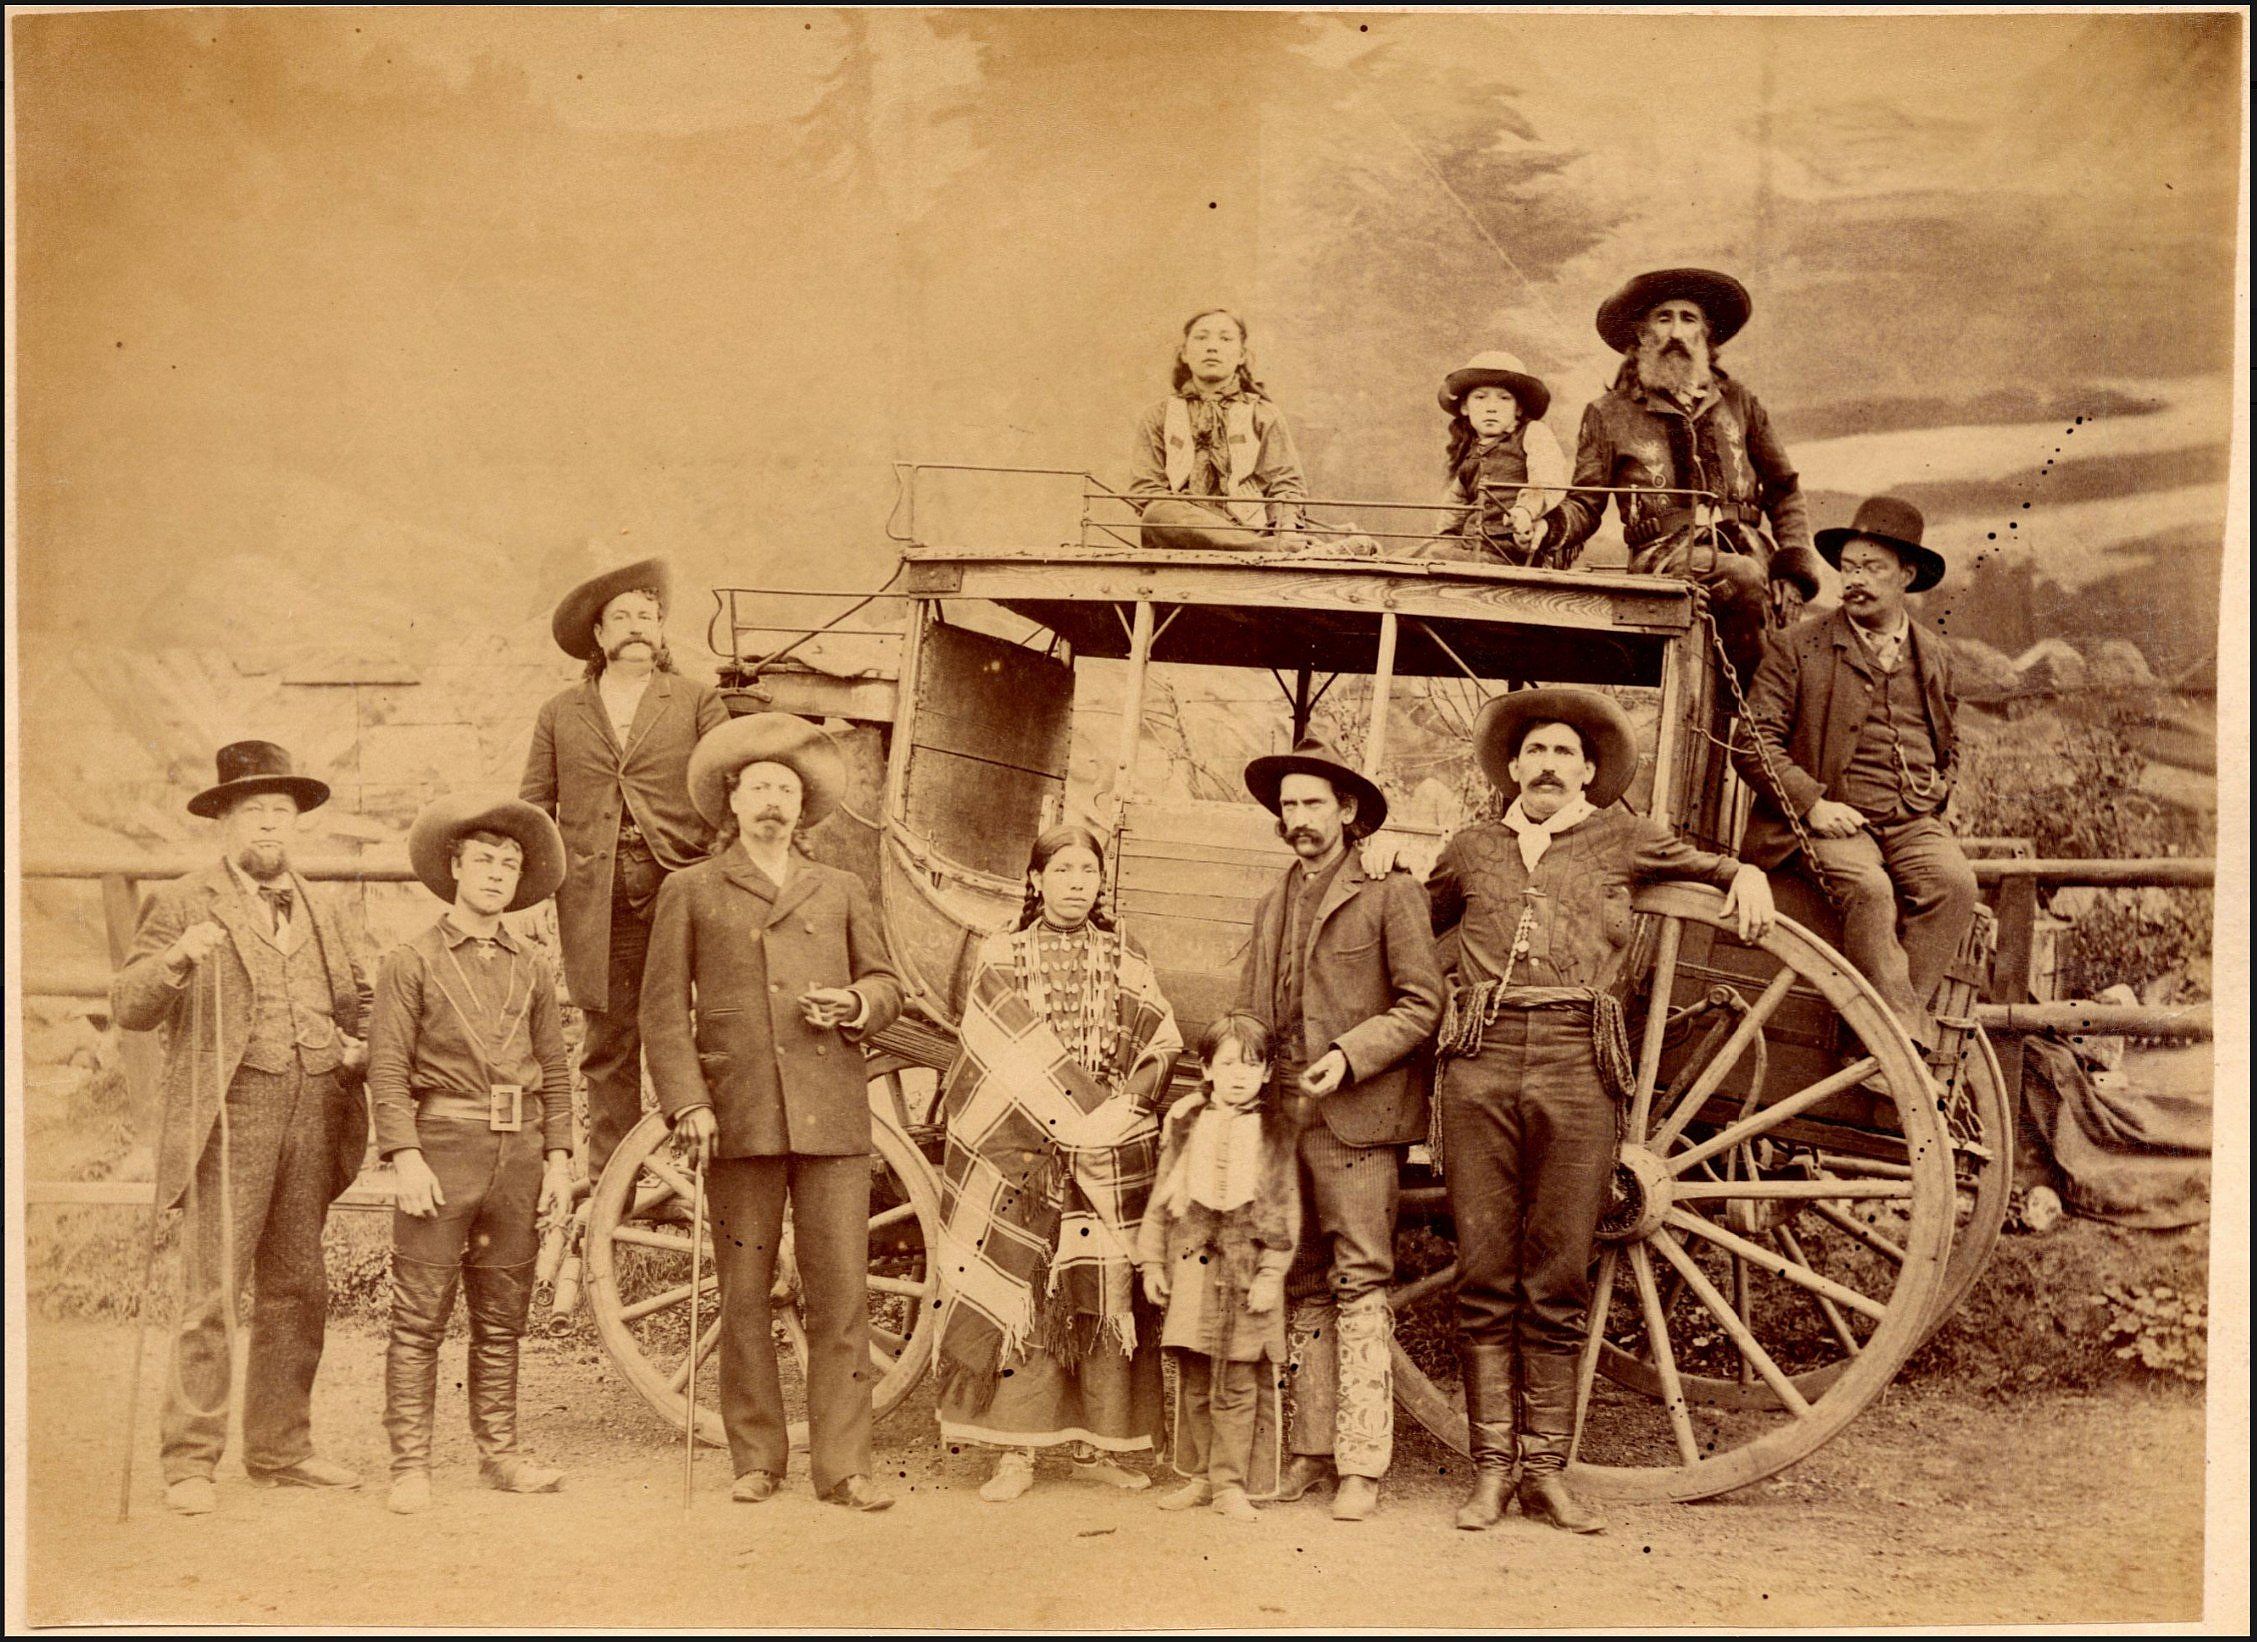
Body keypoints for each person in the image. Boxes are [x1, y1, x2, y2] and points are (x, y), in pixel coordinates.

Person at [1424, 688, 1774, 1540]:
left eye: (1563, 755)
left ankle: (1544, 1473)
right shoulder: (1469, 849)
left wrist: (1746, 872)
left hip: (1581, 1064)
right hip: (1479, 1061)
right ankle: (1488, 1475)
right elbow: (1411, 932)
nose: (1546, 766)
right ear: (1511, 768)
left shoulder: (1624, 838)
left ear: (1588, 771)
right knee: (1482, 1273)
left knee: (1555, 1274)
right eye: (1532, 752)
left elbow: (1707, 867)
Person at [641, 713, 905, 1512]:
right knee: (745, 1291)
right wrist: (688, 1100)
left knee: (842, 1294)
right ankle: (756, 1458)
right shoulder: (689, 888)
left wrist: (855, 1002)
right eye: (758, 787)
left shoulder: (843, 887)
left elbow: (888, 986)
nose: (772, 802)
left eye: (785, 790)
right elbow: (660, 1013)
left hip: (831, 1119)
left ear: (803, 806)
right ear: (731, 798)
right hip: (738, 1116)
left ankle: (846, 1468)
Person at [109, 741, 372, 1516]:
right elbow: (129, 1004)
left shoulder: (322, 906)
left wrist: (354, 1046)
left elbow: (354, 996)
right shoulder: (189, 901)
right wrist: (179, 961)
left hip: (316, 1109)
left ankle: (280, 1448)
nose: (269, 827)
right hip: (232, 1113)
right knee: (212, 1292)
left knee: (299, 1287)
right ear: (224, 821)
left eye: (281, 814)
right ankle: (190, 1461)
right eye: (253, 812)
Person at [932, 823, 1184, 1503]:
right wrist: (1060, 1120)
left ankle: (1099, 1447)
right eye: (1062, 870)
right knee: (1027, 1292)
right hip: (1023, 1153)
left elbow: (1158, 1040)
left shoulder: (1124, 953)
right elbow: (989, 1050)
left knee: (1102, 1299)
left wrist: (1118, 1110)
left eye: (1087, 871)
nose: (1076, 883)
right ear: (1036, 881)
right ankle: (1014, 1453)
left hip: (1105, 1150)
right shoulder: (1002, 954)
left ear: (1100, 884)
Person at [1237, 737, 1443, 1522]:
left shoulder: (1389, 893)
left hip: (1356, 1119)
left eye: (1311, 803)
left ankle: (1362, 1465)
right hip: (1283, 1118)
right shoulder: (1271, 902)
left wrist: (1349, 1058)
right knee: (1298, 1279)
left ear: (1347, 812)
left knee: (1359, 1283)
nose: (1297, 819)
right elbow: (1255, 1011)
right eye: (1287, 806)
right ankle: (1311, 1454)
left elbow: (1423, 1005)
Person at [367, 793, 576, 1515]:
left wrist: (558, 1159)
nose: (495, 874)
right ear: (453, 868)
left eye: (509, 864)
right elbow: (387, 1070)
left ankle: (501, 1454)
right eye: (482, 860)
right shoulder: (411, 960)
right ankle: (410, 1465)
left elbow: (554, 1068)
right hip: (443, 1149)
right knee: (419, 1316)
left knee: (502, 1318)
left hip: (517, 1158)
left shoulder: (534, 965)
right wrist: (404, 1156)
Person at [1732, 496, 1978, 1059]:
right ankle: (1897, 1044)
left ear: (1907, 576)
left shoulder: (1934, 655)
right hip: (1827, 823)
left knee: (1955, 885)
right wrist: (1813, 805)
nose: (1856, 581)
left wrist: (1941, 788)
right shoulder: (1798, 648)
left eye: (1872, 569)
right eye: (1849, 568)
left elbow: (1950, 738)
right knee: (1869, 890)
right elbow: (1752, 742)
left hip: (1913, 819)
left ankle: (1868, 1036)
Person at [520, 556, 728, 1186]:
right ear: (599, 637)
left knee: (700, 1021)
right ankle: (616, 1182)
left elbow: (726, 784)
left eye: (647, 615)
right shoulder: (561, 712)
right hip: (595, 892)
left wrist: (718, 871)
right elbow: (534, 804)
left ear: (662, 632)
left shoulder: (697, 700)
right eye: (621, 618)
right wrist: (532, 890)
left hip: (680, 883)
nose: (636, 627)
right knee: (609, 1038)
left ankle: (711, 1172)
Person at [1539, 268, 1825, 679]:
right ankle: (1754, 726)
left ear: (1706, 337)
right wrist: (1547, 528)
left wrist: (1791, 573)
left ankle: (1751, 733)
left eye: (1688, 319)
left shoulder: (1740, 403)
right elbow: (1586, 501)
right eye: (1663, 318)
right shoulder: (1610, 414)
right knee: (1742, 580)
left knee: (1800, 643)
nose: (1676, 331)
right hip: (1665, 557)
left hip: (1750, 552)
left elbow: (1784, 491)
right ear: (1640, 337)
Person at [1137, 1011, 1300, 1523]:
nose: (1238, 1075)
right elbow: (1163, 1197)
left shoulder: (1276, 1130)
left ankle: (1231, 1482)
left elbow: (1285, 1206)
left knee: (1235, 1381)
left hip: (1249, 1270)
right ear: (1206, 1068)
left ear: (1268, 1073)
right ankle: (1201, 1476)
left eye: (1251, 1065)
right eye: (1227, 1063)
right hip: (1192, 1265)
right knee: (1194, 1376)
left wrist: (1272, 1275)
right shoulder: (1186, 1122)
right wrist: (1151, 1263)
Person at [1129, 309, 1310, 551]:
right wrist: (1197, 515)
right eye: (1201, 338)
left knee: (1291, 529)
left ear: (1241, 355)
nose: (1212, 347)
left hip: (1248, 527)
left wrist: (1286, 529)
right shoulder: (1158, 415)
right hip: (1181, 534)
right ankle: (1264, 548)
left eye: (1225, 339)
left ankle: (1264, 545)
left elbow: (1284, 484)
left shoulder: (1263, 414)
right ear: (1184, 354)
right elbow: (1145, 488)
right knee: (1158, 511)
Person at [1427, 351, 1568, 565]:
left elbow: (1548, 478)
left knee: (1433, 557)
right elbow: (1454, 510)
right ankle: (1368, 550)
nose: (1491, 407)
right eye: (1480, 397)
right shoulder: (1471, 453)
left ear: (1518, 408)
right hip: (1470, 548)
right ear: (1465, 407)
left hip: (1510, 550)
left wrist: (1525, 510)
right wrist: (1443, 540)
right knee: (1422, 554)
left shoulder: (1533, 433)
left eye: (1504, 398)